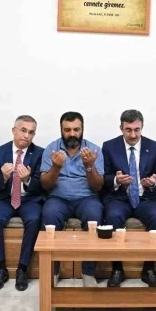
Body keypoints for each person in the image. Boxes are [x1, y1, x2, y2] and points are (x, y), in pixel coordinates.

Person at [40, 112, 104, 288]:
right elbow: (45, 184)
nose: (72, 134)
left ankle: (88, 272)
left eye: (76, 129)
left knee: (94, 217)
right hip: (58, 198)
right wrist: (56, 167)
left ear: (82, 129)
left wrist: (89, 166)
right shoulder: (51, 149)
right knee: (49, 216)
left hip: (87, 198)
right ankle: (52, 272)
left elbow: (98, 186)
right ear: (61, 130)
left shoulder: (94, 150)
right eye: (67, 130)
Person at [102, 110, 156, 287]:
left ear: (142, 127)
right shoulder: (109, 147)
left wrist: (152, 183)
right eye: (128, 130)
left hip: (146, 198)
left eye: (137, 129)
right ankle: (117, 269)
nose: (133, 135)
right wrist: (116, 180)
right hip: (119, 198)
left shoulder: (154, 147)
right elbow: (103, 178)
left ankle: (149, 269)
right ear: (121, 128)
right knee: (112, 217)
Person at [0, 115, 44, 291]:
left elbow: (41, 187)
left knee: (34, 219)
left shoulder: (40, 153)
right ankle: (1, 269)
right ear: (14, 130)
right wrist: (4, 177)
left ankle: (22, 269)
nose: (26, 135)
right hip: (5, 198)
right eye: (23, 130)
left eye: (31, 132)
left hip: (29, 199)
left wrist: (27, 180)